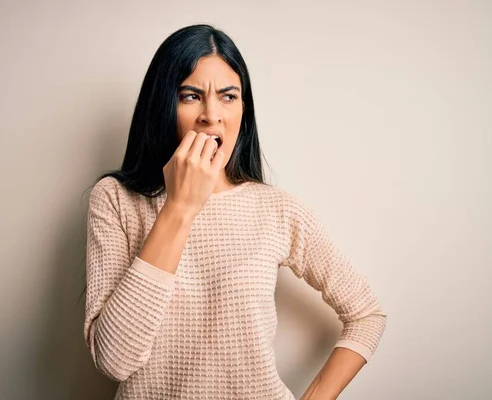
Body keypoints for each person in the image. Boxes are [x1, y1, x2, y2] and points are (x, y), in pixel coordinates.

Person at [83, 24, 387, 400]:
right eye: (190, 96)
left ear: (244, 109)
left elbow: (367, 314)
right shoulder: (114, 200)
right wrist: (179, 207)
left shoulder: (275, 209)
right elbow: (114, 360)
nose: (211, 115)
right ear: (162, 105)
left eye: (228, 96)